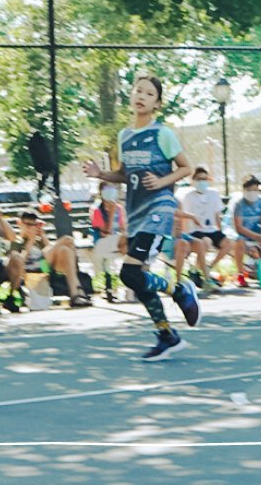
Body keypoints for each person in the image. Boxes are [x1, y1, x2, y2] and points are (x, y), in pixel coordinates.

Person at [83, 74, 200, 359]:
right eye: (138, 91)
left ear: (157, 103)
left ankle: (178, 289)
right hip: (136, 213)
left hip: (159, 209)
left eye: (149, 94)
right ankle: (167, 335)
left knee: (129, 273)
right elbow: (125, 175)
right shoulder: (125, 136)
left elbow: (186, 168)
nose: (141, 96)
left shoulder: (162, 133)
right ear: (131, 96)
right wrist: (101, 174)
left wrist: (161, 182)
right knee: (138, 278)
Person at [13, 210, 91, 307]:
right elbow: (19, 262)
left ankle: (75, 294)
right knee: (67, 240)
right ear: (20, 224)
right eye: (28, 225)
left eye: (34, 225)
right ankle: (79, 290)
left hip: (45, 267)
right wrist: (30, 241)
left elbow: (50, 250)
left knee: (65, 250)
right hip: (31, 269)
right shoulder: (16, 240)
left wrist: (42, 236)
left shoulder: (39, 240)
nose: (31, 228)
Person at [173, 166, 228, 294]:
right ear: (193, 180)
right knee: (204, 242)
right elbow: (181, 216)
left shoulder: (213, 194)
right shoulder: (186, 196)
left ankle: (206, 270)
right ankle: (187, 279)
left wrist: (220, 230)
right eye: (199, 179)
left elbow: (217, 215)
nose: (202, 182)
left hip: (210, 229)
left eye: (204, 179)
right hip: (194, 231)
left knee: (227, 243)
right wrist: (184, 232)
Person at [90, 183, 127, 301]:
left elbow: (123, 228)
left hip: (117, 241)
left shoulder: (119, 209)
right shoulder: (97, 210)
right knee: (109, 260)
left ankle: (129, 284)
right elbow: (105, 232)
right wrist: (111, 213)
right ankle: (109, 287)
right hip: (102, 243)